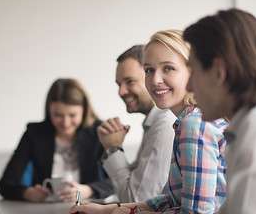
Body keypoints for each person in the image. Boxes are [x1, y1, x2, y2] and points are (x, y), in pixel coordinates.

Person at [69, 29, 228, 214]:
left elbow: (195, 213)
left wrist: (129, 213)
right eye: (149, 70)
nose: (155, 80)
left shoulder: (194, 125)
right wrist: (107, 209)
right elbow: (172, 200)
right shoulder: (189, 121)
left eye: (168, 68)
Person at [184, 8, 256, 214]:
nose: (189, 87)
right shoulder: (243, 129)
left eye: (194, 71)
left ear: (218, 71)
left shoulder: (255, 141)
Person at [0, 78, 114, 203]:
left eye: (72, 115)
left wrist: (90, 190)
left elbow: (119, 181)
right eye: (58, 115)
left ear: (84, 111)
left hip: (89, 208)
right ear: (49, 110)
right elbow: (5, 184)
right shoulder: (34, 134)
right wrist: (27, 192)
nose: (65, 122)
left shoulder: (98, 132)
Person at [96, 45, 176, 202]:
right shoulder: (153, 123)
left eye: (129, 82)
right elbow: (134, 182)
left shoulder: (165, 125)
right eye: (119, 84)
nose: (121, 92)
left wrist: (114, 149)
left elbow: (136, 201)